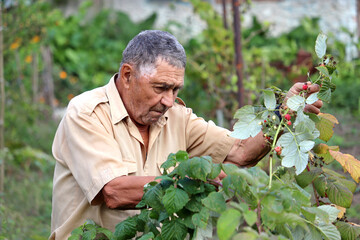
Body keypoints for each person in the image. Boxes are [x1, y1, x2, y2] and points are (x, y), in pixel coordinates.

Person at [49, 30, 323, 239]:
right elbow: (113, 192)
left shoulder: (176, 117)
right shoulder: (87, 113)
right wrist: (191, 179)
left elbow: (241, 153)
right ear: (128, 74)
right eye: (160, 87)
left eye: (175, 90)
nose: (169, 100)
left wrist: (281, 114)